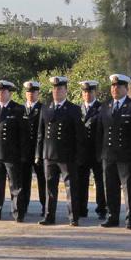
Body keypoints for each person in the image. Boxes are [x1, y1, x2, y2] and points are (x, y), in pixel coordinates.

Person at [35, 76, 85, 226]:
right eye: (55, 89)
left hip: (67, 155)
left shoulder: (73, 109)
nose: (57, 91)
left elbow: (79, 135)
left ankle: (73, 217)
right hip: (49, 155)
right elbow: (40, 134)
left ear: (66, 91)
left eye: (60, 89)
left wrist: (79, 156)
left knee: (71, 188)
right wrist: (38, 154)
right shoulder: (46, 108)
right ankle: (49, 216)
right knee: (50, 188)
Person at [97, 74, 131, 229]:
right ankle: (112, 216)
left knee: (129, 188)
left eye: (118, 86)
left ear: (126, 88)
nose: (114, 89)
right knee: (110, 187)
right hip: (108, 155)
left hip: (126, 155)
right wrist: (100, 153)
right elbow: (100, 132)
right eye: (113, 86)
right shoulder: (105, 106)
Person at [0, 80, 30, 221]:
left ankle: (17, 213)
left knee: (15, 185)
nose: (0, 94)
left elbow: (24, 134)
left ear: (10, 93)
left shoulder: (18, 109)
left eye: (3, 91)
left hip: (12, 154)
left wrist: (23, 154)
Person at [78, 80, 106, 220]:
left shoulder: (102, 108)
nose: (87, 94)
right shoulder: (78, 109)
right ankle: (81, 208)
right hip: (82, 152)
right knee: (81, 181)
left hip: (97, 151)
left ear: (95, 92)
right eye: (85, 92)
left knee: (100, 181)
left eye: (90, 91)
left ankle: (102, 208)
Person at [21, 81, 46, 216]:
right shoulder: (21, 108)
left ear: (38, 93)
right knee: (24, 180)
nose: (30, 94)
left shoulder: (43, 108)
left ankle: (45, 207)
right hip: (24, 151)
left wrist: (40, 152)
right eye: (28, 92)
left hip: (38, 150)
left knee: (42, 181)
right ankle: (23, 206)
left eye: (33, 92)